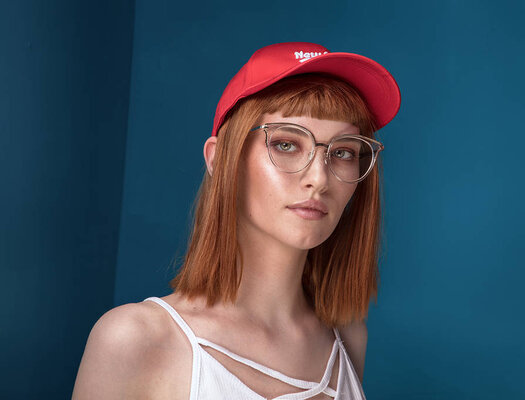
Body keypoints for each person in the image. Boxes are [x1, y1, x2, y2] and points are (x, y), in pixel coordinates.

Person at [72, 42, 401, 400]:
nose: (319, 179)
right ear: (219, 158)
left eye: (342, 152)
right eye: (286, 144)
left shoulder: (348, 338)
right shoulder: (136, 339)